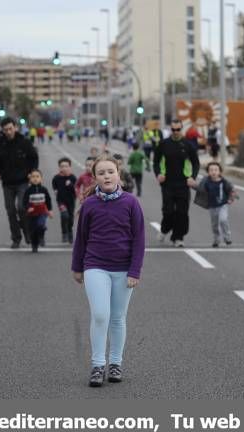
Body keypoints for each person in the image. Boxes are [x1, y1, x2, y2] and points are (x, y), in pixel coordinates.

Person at [71, 154, 145, 387]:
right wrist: (77, 267)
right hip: (95, 266)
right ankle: (97, 365)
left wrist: (135, 270)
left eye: (110, 171)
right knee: (100, 315)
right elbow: (80, 238)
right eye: (101, 173)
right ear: (95, 178)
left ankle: (115, 363)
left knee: (117, 317)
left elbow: (139, 239)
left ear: (118, 174)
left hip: (124, 269)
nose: (106, 176)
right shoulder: (89, 204)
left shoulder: (131, 203)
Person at [0, 117, 39, 249]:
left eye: (11, 129)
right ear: (2, 130)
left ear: (15, 127)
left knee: (22, 207)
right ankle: (16, 238)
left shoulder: (24, 142)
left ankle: (27, 232)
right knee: (10, 210)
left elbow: (34, 158)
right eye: (6, 130)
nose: (9, 132)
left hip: (23, 180)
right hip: (7, 182)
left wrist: (32, 172)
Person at [153, 119, 200, 247]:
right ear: (170, 129)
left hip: (183, 184)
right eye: (173, 129)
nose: (175, 132)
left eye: (178, 129)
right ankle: (164, 229)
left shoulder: (187, 145)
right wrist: (158, 174)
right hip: (167, 183)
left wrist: (193, 177)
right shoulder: (163, 144)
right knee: (168, 211)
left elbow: (196, 163)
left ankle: (178, 237)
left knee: (182, 213)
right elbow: (156, 161)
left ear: (181, 129)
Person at [191, 162, 236, 248]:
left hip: (222, 205)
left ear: (220, 172)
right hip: (212, 206)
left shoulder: (224, 182)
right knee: (215, 225)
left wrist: (231, 198)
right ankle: (216, 239)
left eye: (216, 170)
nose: (213, 172)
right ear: (208, 172)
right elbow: (200, 189)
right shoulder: (206, 181)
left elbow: (231, 190)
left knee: (223, 220)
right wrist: (193, 185)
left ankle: (227, 237)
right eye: (211, 170)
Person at [23, 169, 53, 253]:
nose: (35, 178)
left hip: (42, 212)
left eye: (37, 176)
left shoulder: (44, 189)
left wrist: (50, 210)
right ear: (30, 179)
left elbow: (48, 200)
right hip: (32, 214)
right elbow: (24, 201)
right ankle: (34, 245)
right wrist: (28, 207)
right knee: (33, 231)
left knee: (40, 225)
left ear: (41, 178)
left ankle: (41, 237)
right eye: (33, 177)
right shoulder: (28, 190)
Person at [52, 157, 77, 243]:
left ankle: (70, 232)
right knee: (64, 215)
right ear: (59, 167)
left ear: (70, 167)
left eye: (66, 166)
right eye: (62, 166)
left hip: (71, 201)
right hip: (61, 201)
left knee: (70, 218)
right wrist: (55, 190)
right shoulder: (56, 178)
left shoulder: (73, 178)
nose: (64, 168)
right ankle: (64, 233)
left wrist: (70, 185)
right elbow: (54, 185)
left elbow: (75, 190)